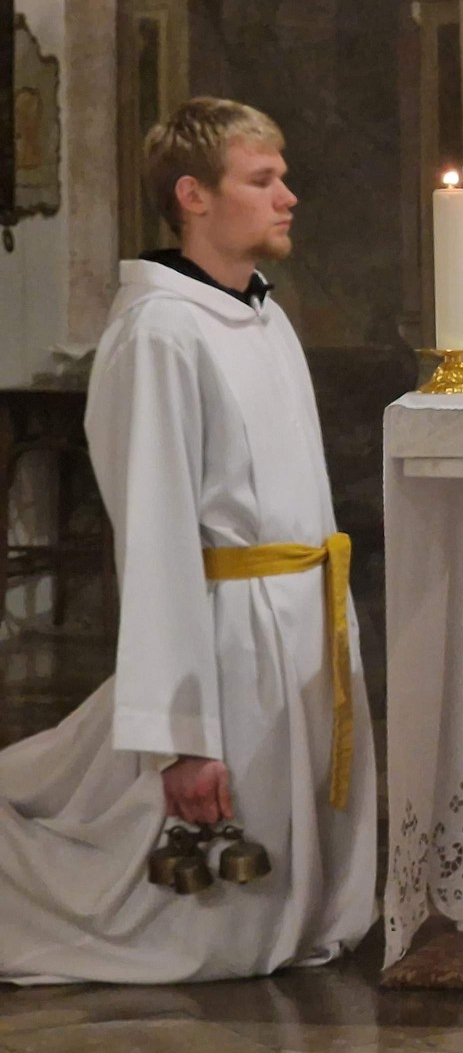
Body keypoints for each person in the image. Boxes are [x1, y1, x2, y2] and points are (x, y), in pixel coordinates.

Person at [0, 98, 375, 983]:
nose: (287, 196)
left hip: (298, 615)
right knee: (198, 924)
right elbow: (157, 536)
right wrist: (182, 737)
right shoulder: (159, 332)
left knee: (276, 909)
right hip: (228, 634)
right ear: (192, 196)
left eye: (283, 177)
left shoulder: (260, 313)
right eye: (262, 179)